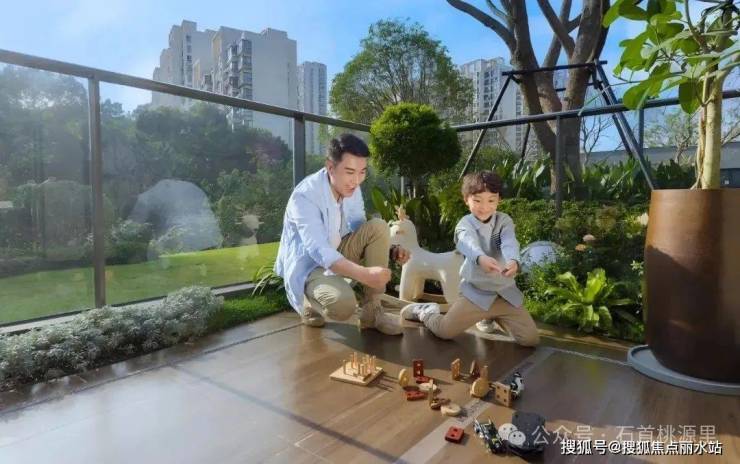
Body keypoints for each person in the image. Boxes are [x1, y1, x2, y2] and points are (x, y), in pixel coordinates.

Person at [274, 133, 410, 335]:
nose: (356, 180)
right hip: (310, 265)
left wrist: (390, 250)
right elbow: (319, 250)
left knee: (378, 226)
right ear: (331, 167)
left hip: (337, 249)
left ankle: (372, 313)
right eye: (350, 172)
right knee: (343, 305)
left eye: (362, 172)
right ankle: (308, 303)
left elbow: (361, 228)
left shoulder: (351, 188)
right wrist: (364, 274)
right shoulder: (304, 197)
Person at [400, 171, 539, 346]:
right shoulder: (465, 224)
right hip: (475, 295)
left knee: (530, 339)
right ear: (466, 200)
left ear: (499, 200)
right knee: (444, 331)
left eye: (491, 200)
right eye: (477, 200)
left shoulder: (504, 221)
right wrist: (480, 258)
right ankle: (426, 312)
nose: (484, 207)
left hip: (504, 295)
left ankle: (490, 317)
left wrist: (513, 260)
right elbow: (468, 243)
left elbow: (509, 241)